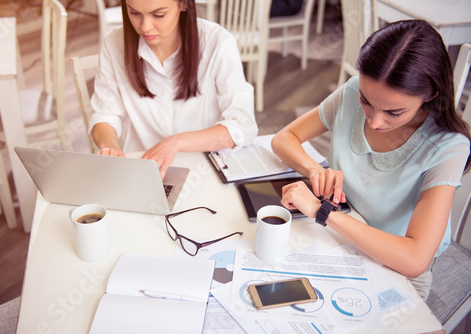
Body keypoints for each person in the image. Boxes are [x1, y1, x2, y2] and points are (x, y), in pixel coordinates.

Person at [272, 20, 471, 300]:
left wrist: (322, 210)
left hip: (393, 268)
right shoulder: (353, 91)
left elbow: (414, 261)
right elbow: (284, 137)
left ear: (431, 94)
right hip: (338, 238)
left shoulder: (447, 147)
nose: (375, 121)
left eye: (394, 112)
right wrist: (315, 170)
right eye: (367, 101)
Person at [89, 0, 258, 178]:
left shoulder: (217, 43)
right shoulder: (113, 43)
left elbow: (242, 125)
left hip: (205, 170)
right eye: (134, 13)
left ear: (183, 4)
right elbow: (105, 114)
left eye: (159, 14)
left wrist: (175, 143)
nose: (145, 27)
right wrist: (110, 146)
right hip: (143, 170)